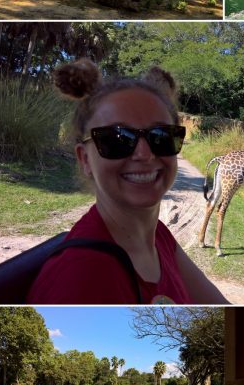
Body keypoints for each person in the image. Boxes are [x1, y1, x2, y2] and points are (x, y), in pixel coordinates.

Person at [27, 59, 228, 304]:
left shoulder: (158, 238)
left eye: (161, 136)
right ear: (85, 159)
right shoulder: (80, 274)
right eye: (117, 139)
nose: (144, 154)